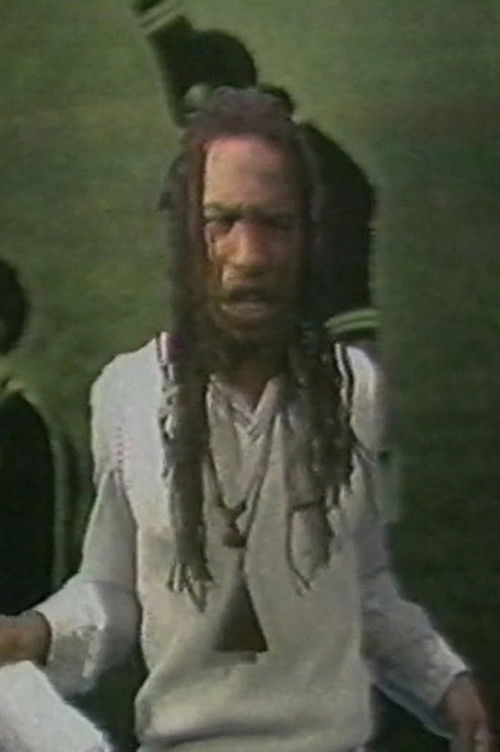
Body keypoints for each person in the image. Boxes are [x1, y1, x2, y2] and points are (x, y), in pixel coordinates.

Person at [0, 88, 492, 752]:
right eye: (221, 222)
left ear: (306, 240)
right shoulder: (129, 393)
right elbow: (114, 595)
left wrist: (445, 683)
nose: (249, 255)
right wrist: (33, 634)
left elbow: (364, 587)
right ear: (184, 237)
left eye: (274, 224)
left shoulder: (353, 391)